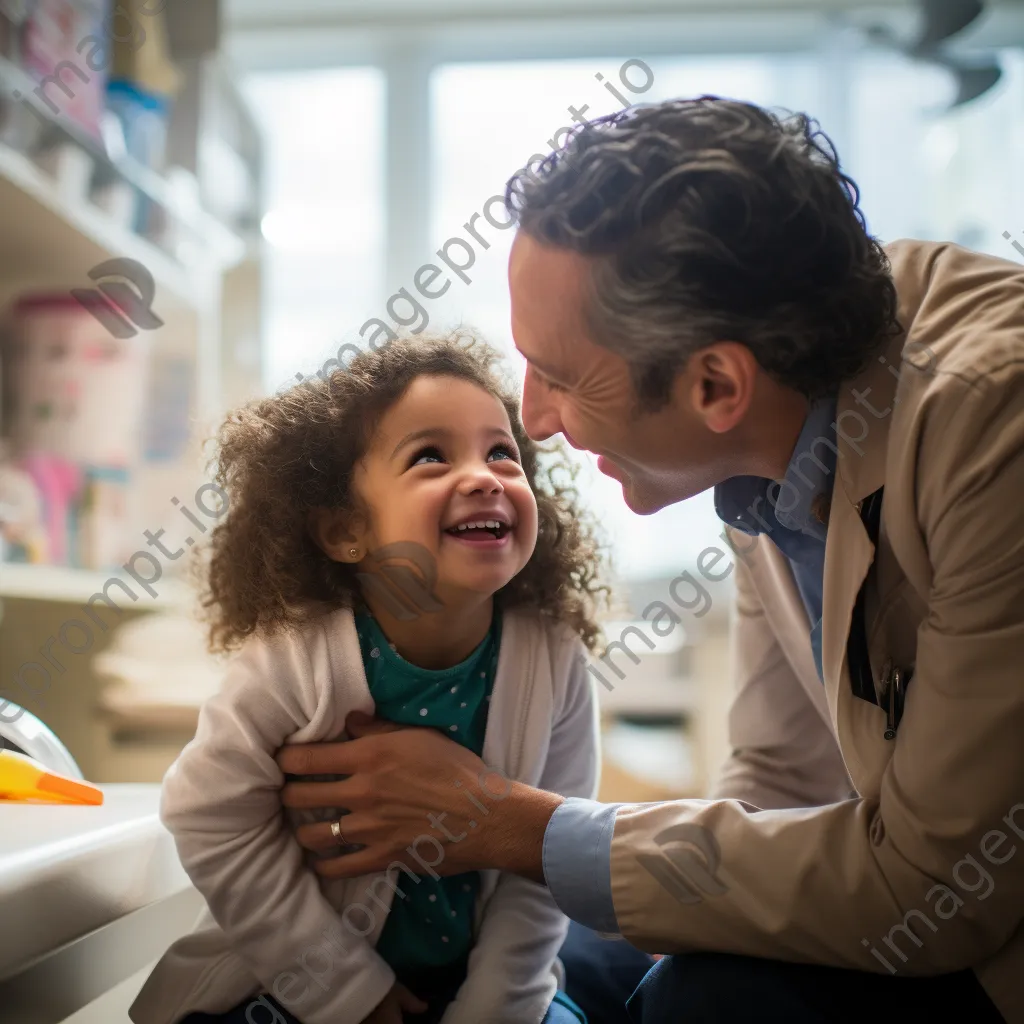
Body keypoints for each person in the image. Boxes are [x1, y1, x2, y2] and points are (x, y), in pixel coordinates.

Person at [277, 97, 1024, 1023]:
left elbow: (939, 891)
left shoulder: (994, 428)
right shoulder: (772, 432)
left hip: (985, 940)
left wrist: (508, 824)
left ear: (716, 385)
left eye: (557, 374)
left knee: (695, 1001)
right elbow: (784, 784)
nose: (534, 419)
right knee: (567, 961)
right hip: (910, 891)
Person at [129, 334, 604, 1024]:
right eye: (431, 456)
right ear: (346, 531)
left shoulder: (554, 655)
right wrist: (347, 993)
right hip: (291, 986)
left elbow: (546, 862)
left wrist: (491, 1010)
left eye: (502, 452)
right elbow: (209, 816)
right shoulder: (292, 658)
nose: (484, 475)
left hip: (482, 987)